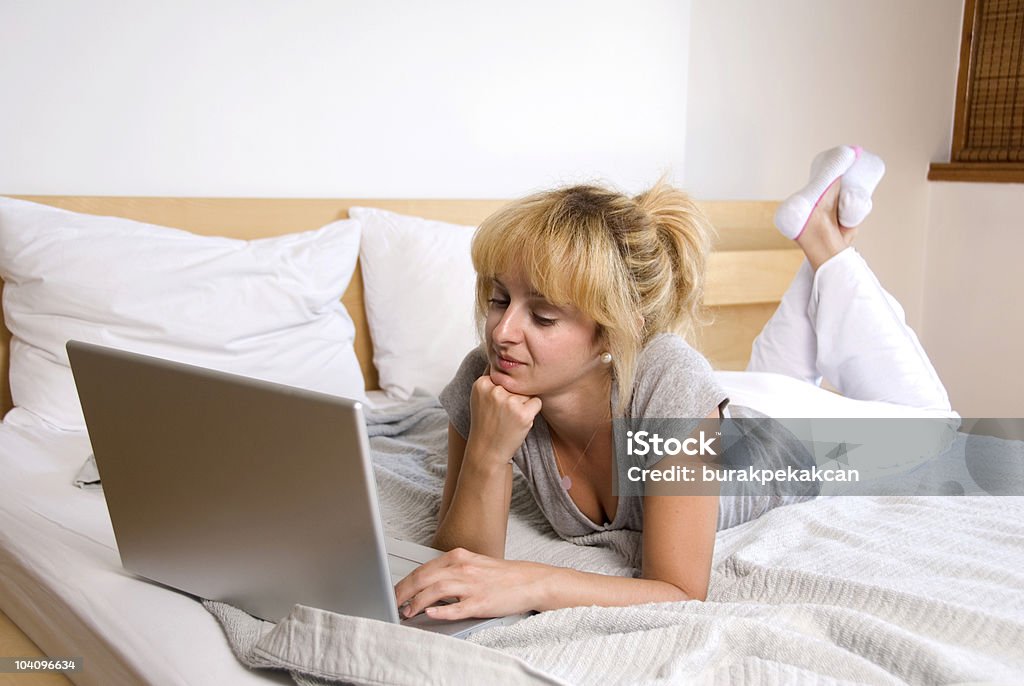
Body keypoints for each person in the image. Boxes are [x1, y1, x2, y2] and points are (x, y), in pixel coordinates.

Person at [392, 146, 955, 621]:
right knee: (774, 375)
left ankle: (828, 246)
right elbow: (461, 565)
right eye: (497, 300)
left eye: (542, 317)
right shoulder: (487, 376)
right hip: (722, 407)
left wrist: (534, 582)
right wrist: (488, 454)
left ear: (614, 332)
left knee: (933, 425)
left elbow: (682, 590)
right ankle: (816, 236)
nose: (502, 331)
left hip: (789, 437)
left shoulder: (670, 376)